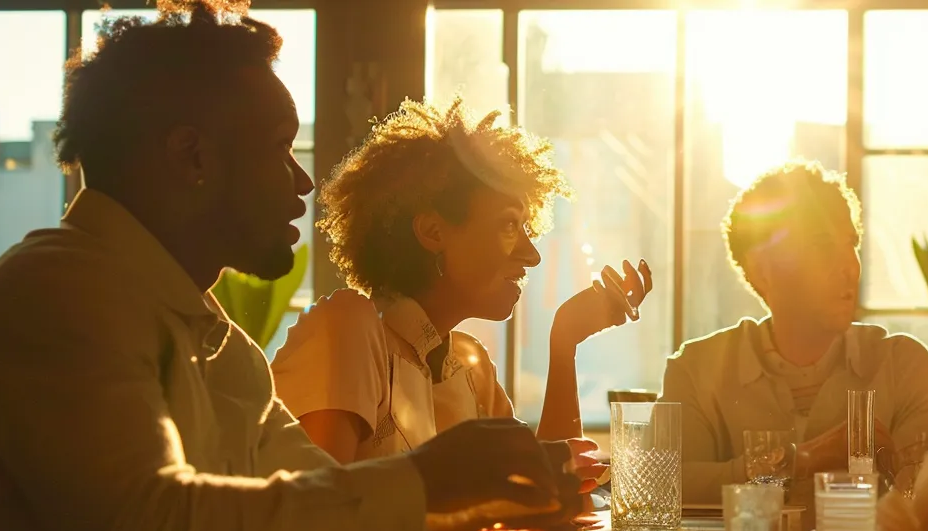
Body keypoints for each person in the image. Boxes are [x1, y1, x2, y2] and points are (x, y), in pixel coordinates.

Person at [0, 3, 587, 531]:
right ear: (193, 154)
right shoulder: (57, 293)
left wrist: (477, 503)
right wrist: (428, 483)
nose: (302, 183)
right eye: (278, 148)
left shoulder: (221, 344)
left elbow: (323, 522)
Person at [271, 98, 649, 467]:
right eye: (508, 225)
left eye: (526, 228)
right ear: (433, 231)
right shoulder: (345, 329)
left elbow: (552, 492)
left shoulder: (471, 367)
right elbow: (319, 515)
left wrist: (565, 341)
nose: (531, 254)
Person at [660, 160, 928, 504]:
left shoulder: (902, 364)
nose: (850, 265)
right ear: (762, 271)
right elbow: (664, 487)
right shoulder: (696, 369)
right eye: (822, 244)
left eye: (852, 243)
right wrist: (800, 459)